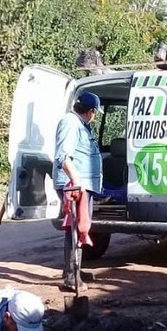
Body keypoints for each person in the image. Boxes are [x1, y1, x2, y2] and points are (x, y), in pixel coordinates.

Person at [54, 91, 104, 292]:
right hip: (74, 186)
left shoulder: (80, 125)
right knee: (75, 229)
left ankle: (75, 271)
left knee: (79, 227)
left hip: (80, 184)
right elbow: (63, 156)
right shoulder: (71, 123)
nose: (94, 116)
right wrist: (75, 180)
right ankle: (71, 277)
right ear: (90, 111)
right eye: (94, 112)